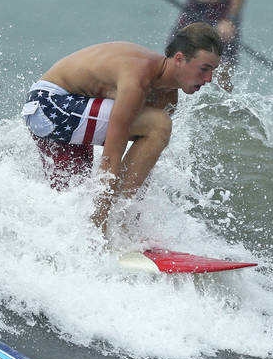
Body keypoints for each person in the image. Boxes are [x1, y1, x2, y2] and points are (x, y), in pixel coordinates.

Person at [22, 22, 221, 229]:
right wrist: (103, 230)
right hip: (50, 106)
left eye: (213, 70)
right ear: (179, 59)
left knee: (71, 211)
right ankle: (117, 228)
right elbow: (111, 158)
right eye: (204, 69)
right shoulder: (138, 77)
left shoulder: (168, 97)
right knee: (158, 125)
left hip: (68, 115)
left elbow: (141, 164)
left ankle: (106, 231)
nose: (208, 79)